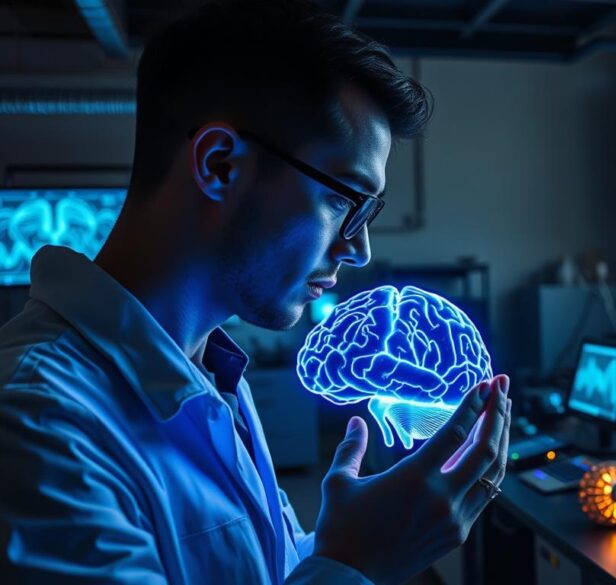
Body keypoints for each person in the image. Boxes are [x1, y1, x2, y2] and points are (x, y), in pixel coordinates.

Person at [0, 1, 511, 583]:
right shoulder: (37, 430)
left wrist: (361, 536)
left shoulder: (215, 379)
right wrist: (354, 565)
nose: (360, 247)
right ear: (219, 165)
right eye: (345, 199)